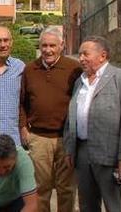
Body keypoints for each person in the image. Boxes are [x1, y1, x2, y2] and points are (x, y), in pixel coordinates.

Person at [63, 36, 121, 212]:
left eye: (85, 54)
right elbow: (71, 117)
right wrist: (69, 149)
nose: (80, 58)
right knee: (87, 204)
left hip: (109, 154)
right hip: (82, 152)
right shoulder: (79, 81)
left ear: (102, 56)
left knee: (112, 204)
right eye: (80, 54)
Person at [19, 27, 82, 212]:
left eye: (52, 45)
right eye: (44, 45)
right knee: (40, 188)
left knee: (67, 188)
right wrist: (23, 126)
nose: (48, 50)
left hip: (66, 138)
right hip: (39, 138)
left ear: (61, 46)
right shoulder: (30, 69)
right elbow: (21, 102)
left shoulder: (74, 69)